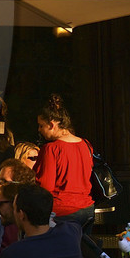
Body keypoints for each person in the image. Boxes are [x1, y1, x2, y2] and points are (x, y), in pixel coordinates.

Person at [34, 93, 95, 230]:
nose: (39, 130)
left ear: (51, 124)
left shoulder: (51, 149)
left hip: (62, 211)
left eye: (41, 126)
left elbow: (45, 188)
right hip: (87, 208)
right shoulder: (86, 144)